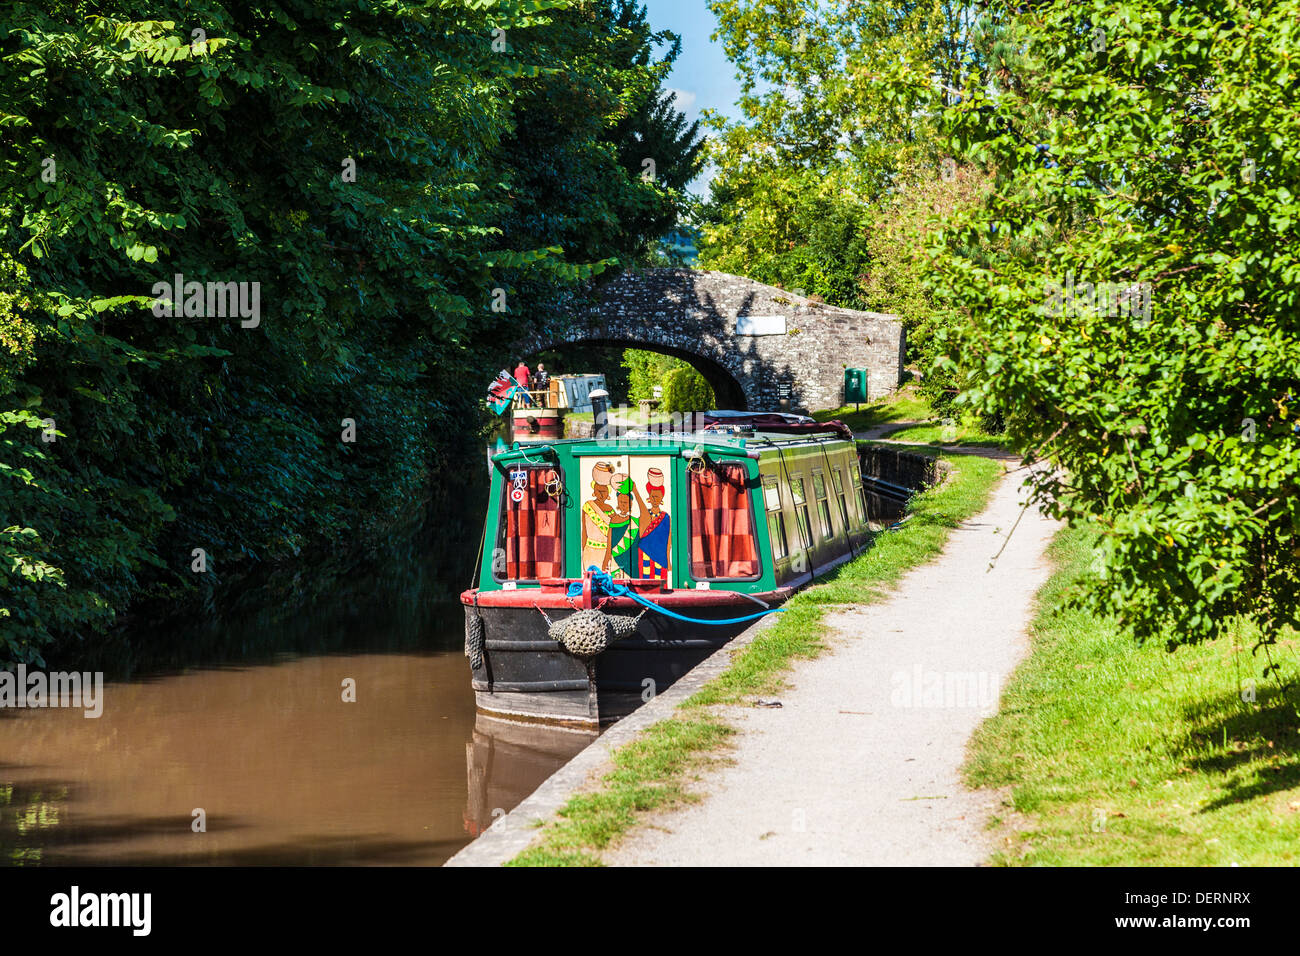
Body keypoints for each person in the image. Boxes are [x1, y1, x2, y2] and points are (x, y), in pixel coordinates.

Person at [635, 468, 671, 581]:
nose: (655, 499)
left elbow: (668, 540)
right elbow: (641, 534)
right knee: (646, 582)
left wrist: (668, 559)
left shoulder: (665, 517)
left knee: (660, 585)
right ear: (649, 498)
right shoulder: (645, 516)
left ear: (662, 498)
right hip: (645, 553)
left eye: (658, 496)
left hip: (661, 556)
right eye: (653, 496)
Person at [581, 462, 615, 573]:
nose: (601, 494)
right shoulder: (588, 506)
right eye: (598, 491)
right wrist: (582, 549)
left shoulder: (610, 510)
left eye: (604, 491)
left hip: (605, 551)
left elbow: (613, 533)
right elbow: (584, 532)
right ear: (594, 491)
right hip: (590, 551)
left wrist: (609, 555)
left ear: (608, 493)